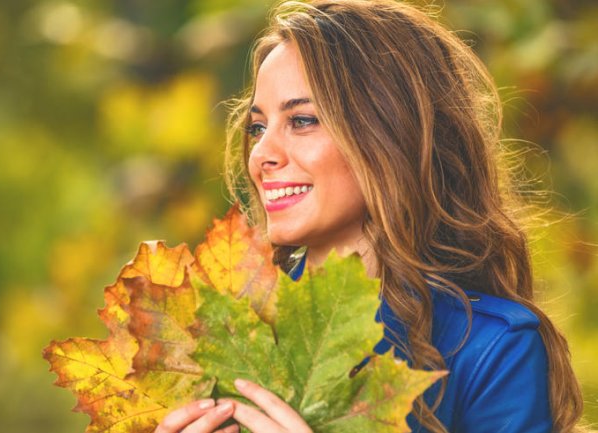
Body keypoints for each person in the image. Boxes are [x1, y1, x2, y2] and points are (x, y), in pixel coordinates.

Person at [155, 1, 586, 432]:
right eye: (257, 127)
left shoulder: (490, 348)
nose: (262, 154)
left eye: (302, 120)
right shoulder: (217, 324)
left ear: (389, 135)